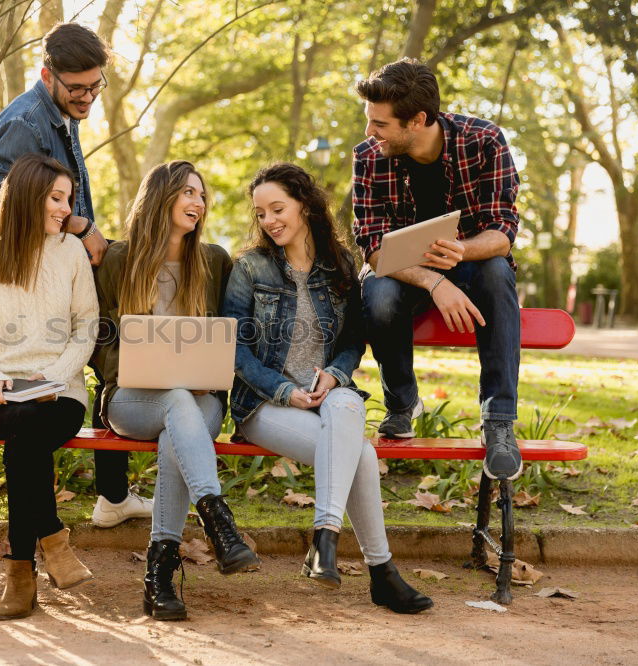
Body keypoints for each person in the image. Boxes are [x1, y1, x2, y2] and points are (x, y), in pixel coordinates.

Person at [222, 162, 432, 614]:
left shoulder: (340, 264)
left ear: (304, 205)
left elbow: (354, 339)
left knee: (346, 401)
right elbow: (234, 351)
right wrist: (284, 390)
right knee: (362, 452)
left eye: (277, 208)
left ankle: (327, 541)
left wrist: (335, 373)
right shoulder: (249, 268)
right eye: (261, 214)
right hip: (263, 405)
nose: (269, 221)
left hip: (327, 398)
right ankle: (380, 572)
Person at [0, 21, 153, 523]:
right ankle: (95, 506)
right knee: (105, 353)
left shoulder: (61, 116)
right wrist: (80, 226)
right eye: (77, 88)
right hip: (27, 281)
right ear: (46, 75)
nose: (88, 97)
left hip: (62, 266)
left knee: (113, 349)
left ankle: (113, 497)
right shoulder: (24, 123)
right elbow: (1, 210)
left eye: (96, 86)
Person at [91, 161, 260, 621]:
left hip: (201, 400)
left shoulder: (213, 261)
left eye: (201, 195)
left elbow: (230, 337)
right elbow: (100, 341)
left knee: (178, 427)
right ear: (160, 198)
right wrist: (139, 368)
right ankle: (217, 519)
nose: (198, 203)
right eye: (188, 192)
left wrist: (213, 369)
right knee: (175, 402)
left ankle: (160, 576)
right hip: (130, 399)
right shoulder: (118, 261)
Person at [352, 57, 523, 481]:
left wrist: (460, 254)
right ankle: (402, 405)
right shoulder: (368, 157)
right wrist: (435, 282)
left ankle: (498, 420)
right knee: (376, 292)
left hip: (470, 266)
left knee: (498, 270)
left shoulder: (484, 141)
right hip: (403, 273)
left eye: (380, 124)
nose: (369, 132)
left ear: (418, 120)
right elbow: (372, 246)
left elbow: (502, 230)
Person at [0, 154, 98, 620]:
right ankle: (51, 540)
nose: (65, 210)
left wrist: (56, 376)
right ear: (29, 197)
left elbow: (86, 325)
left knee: (24, 443)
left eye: (68, 199)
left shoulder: (70, 251)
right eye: (56, 198)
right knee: (22, 429)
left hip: (60, 394)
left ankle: (18, 573)